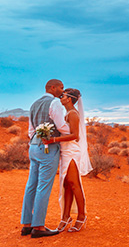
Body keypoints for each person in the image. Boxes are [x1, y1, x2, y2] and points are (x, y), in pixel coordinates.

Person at [20, 79, 70, 238]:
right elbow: (62, 127)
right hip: (48, 148)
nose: (62, 90)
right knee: (44, 187)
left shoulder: (34, 103)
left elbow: (30, 130)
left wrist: (36, 140)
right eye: (61, 87)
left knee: (31, 185)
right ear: (52, 87)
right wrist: (74, 129)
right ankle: (39, 227)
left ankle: (26, 224)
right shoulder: (54, 103)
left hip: (33, 147)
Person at [42, 88, 92, 233]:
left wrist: (53, 140)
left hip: (71, 151)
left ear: (69, 98)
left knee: (74, 184)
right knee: (66, 185)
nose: (60, 97)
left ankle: (82, 216)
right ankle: (66, 217)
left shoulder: (73, 114)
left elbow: (75, 135)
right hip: (65, 151)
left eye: (62, 96)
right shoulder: (67, 113)